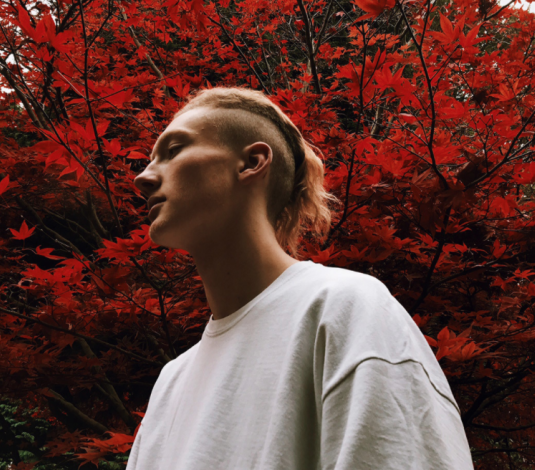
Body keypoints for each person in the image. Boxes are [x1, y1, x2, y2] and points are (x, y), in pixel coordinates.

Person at [129, 86, 474, 469]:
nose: (143, 177)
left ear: (252, 162)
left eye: (173, 151)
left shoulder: (342, 308)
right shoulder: (171, 383)